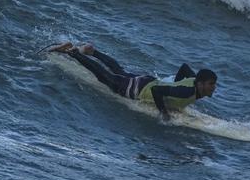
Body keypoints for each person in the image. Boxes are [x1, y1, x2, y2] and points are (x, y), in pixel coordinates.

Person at [48, 42, 217, 121]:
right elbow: (157, 92)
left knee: (120, 72)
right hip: (140, 89)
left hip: (147, 81)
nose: (213, 88)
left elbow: (185, 67)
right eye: (211, 84)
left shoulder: (193, 80)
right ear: (201, 84)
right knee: (106, 78)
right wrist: (163, 112)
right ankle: (72, 52)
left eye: (214, 84)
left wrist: (174, 84)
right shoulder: (187, 91)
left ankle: (93, 52)